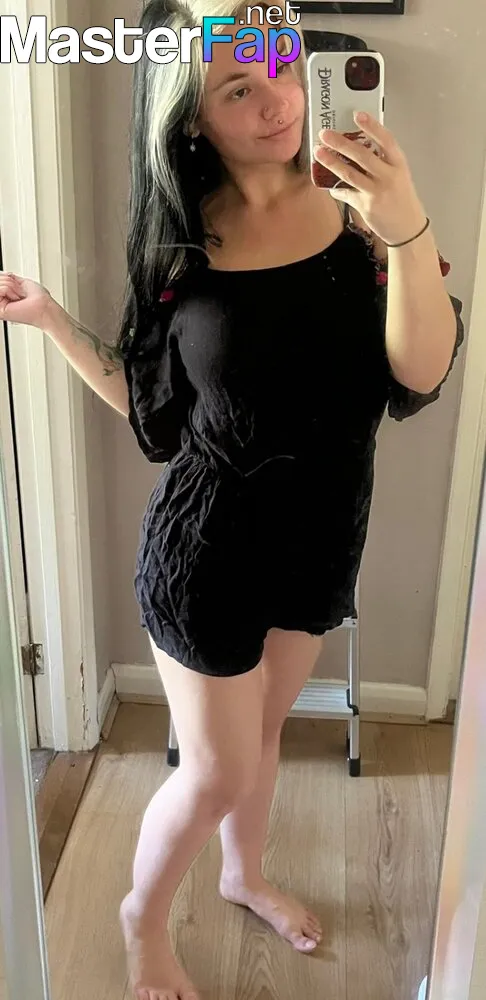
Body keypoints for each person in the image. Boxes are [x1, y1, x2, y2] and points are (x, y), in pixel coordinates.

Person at [0, 1, 464, 997]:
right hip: (205, 553)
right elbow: (157, 414)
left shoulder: (366, 212)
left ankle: (243, 875)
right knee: (215, 768)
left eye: (280, 66)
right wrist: (52, 322)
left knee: (261, 738)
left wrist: (407, 225)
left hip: (321, 541)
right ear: (192, 118)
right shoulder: (184, 246)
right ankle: (140, 915)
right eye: (236, 89)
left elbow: (420, 372)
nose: (277, 103)